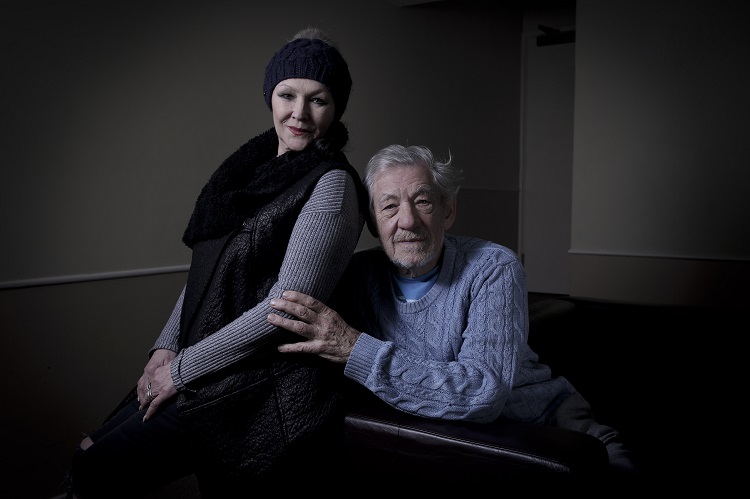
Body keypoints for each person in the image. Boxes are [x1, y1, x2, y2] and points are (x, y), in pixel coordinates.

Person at [63, 27, 369, 498]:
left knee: (94, 471)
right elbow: (213, 271)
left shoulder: (331, 185)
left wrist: (180, 370)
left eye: (318, 99)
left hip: (255, 384)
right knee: (86, 454)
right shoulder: (249, 172)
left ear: (337, 107)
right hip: (198, 359)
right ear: (270, 96)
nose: (299, 114)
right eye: (287, 95)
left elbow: (285, 311)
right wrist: (165, 347)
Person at [267, 144, 639, 478]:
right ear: (374, 223)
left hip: (550, 429)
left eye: (423, 201)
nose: (408, 220)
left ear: (448, 211)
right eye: (390, 206)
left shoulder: (493, 267)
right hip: (448, 447)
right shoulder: (360, 275)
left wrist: (355, 349)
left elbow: (483, 393)